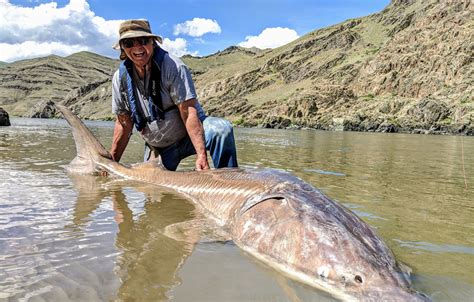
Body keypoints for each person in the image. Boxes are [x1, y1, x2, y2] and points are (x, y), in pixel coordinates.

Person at [110, 19, 238, 171]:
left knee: (221, 129)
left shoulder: (174, 66)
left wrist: (201, 155)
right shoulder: (120, 78)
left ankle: (230, 182)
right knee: (152, 192)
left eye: (143, 40)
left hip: (188, 138)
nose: (137, 47)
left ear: (152, 42)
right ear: (123, 49)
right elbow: (124, 123)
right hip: (158, 147)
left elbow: (188, 112)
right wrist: (111, 163)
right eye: (129, 43)